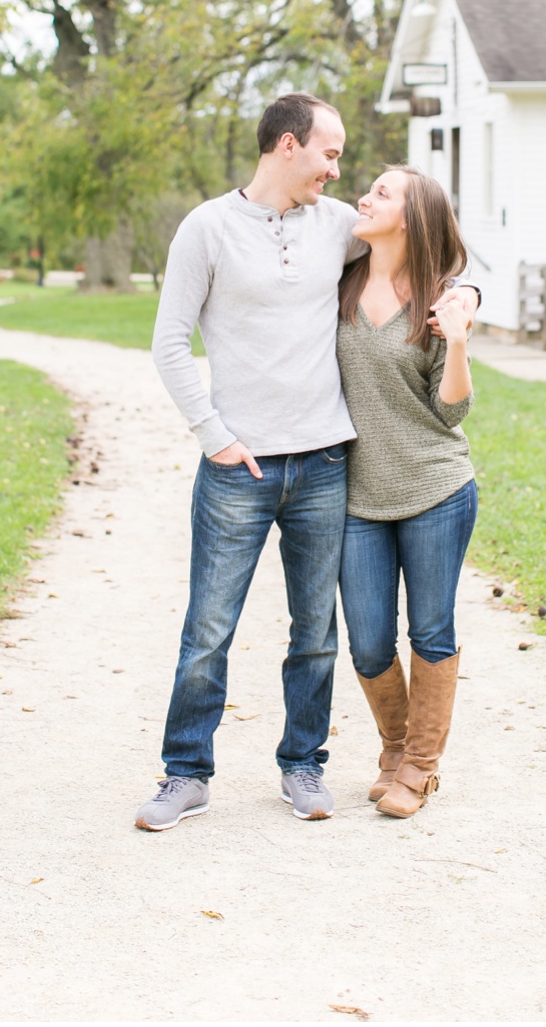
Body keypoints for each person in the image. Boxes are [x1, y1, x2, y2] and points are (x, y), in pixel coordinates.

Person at [136, 93, 363, 831]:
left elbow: (424, 245)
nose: (337, 169)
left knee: (315, 630)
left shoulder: (337, 226)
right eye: (329, 153)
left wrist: (468, 291)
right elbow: (170, 342)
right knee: (210, 627)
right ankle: (185, 773)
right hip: (239, 469)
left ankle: (304, 766)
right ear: (288, 145)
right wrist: (214, 436)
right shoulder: (207, 228)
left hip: (325, 460)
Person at [335, 166, 480, 819]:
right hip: (357, 497)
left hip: (435, 488)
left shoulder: (437, 300)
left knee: (430, 629)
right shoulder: (335, 285)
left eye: (382, 192)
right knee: (367, 639)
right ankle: (394, 748)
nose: (365, 197)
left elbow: (450, 412)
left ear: (411, 219)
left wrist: (457, 343)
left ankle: (419, 766)